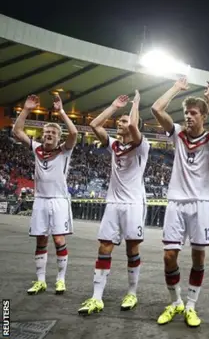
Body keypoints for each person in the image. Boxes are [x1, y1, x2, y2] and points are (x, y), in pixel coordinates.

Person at [151, 78, 209, 328]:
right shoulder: (179, 135)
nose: (189, 116)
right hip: (176, 203)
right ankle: (175, 302)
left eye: (193, 113)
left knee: (198, 257)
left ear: (203, 116)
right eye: (186, 113)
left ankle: (191, 306)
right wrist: (175, 89)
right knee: (169, 256)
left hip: (201, 204)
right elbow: (156, 109)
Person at [78, 91, 149, 315]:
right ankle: (96, 297)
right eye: (119, 121)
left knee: (132, 250)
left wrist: (135, 105)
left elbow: (135, 128)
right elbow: (95, 125)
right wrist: (114, 106)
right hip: (113, 204)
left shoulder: (141, 145)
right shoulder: (115, 146)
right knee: (104, 247)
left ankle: (132, 293)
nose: (120, 122)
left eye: (124, 121)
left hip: (133, 204)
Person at [12, 93, 78, 295]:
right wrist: (26, 109)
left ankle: (60, 279)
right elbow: (17, 131)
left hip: (59, 200)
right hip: (40, 200)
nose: (49, 134)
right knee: (41, 240)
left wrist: (62, 113)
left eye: (53, 133)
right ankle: (40, 280)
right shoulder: (37, 148)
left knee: (58, 240)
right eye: (47, 132)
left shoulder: (64, 150)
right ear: (43, 135)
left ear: (58, 138)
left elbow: (74, 133)